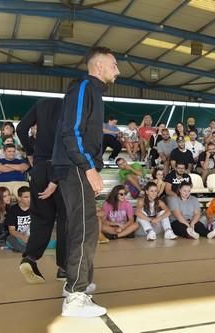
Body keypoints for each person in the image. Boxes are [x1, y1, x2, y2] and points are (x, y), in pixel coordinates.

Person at [52, 46, 119, 317]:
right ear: (98, 66)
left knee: (85, 226)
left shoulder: (93, 92)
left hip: (77, 166)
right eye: (114, 64)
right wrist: (88, 167)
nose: (118, 70)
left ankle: (75, 285)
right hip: (75, 167)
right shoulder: (83, 87)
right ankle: (76, 297)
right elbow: (72, 131)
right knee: (84, 228)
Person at [16, 98, 69, 284]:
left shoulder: (41, 105)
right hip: (61, 168)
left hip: (38, 168)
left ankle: (30, 258)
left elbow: (21, 129)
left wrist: (30, 151)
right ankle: (64, 267)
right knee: (65, 219)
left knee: (41, 218)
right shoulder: (71, 106)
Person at [5, 186, 38, 253]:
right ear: (19, 198)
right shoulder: (13, 210)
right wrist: (23, 237)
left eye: (31, 196)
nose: (29, 199)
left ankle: (32, 247)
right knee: (10, 239)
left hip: (31, 236)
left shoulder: (35, 208)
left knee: (46, 239)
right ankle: (28, 249)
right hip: (17, 237)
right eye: (26, 197)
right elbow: (11, 231)